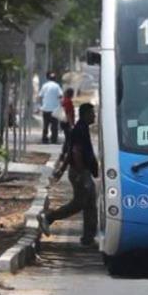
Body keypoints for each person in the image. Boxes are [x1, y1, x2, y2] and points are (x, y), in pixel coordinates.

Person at [39, 103, 99, 246]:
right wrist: (80, 172)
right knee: (79, 204)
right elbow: (75, 152)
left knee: (90, 204)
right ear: (85, 114)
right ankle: (48, 217)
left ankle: (88, 238)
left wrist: (62, 169)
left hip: (81, 171)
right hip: (81, 172)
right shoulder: (80, 130)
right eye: (92, 113)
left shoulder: (81, 128)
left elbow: (69, 152)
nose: (94, 116)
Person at [38, 72, 63, 144]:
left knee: (45, 125)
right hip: (54, 109)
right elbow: (60, 95)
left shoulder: (44, 86)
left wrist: (42, 104)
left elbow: (40, 96)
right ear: (55, 79)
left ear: (48, 78)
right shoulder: (57, 86)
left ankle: (44, 138)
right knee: (54, 126)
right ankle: (54, 139)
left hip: (45, 108)